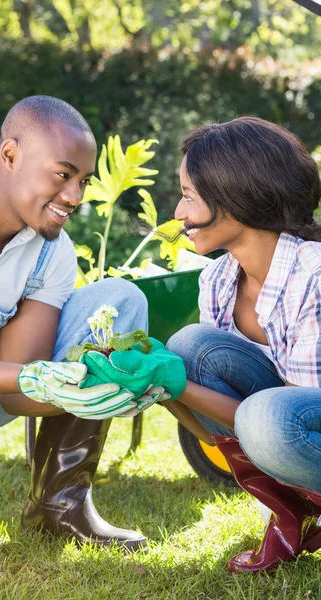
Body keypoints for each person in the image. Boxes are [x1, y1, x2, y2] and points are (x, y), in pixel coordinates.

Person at [0, 95, 183, 551]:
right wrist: (34, 377)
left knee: (120, 298)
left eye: (82, 181)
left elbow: (17, 397)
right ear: (10, 155)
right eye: (63, 175)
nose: (75, 197)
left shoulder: (50, 251)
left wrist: (100, 393)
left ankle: (57, 508)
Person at [162, 116, 321, 573]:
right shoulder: (217, 280)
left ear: (236, 200)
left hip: (305, 416)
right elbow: (226, 427)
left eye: (189, 195)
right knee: (190, 346)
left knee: (266, 416)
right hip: (286, 423)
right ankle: (288, 512)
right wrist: (163, 385)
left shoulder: (312, 276)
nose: (177, 212)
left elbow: (290, 420)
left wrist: (175, 386)